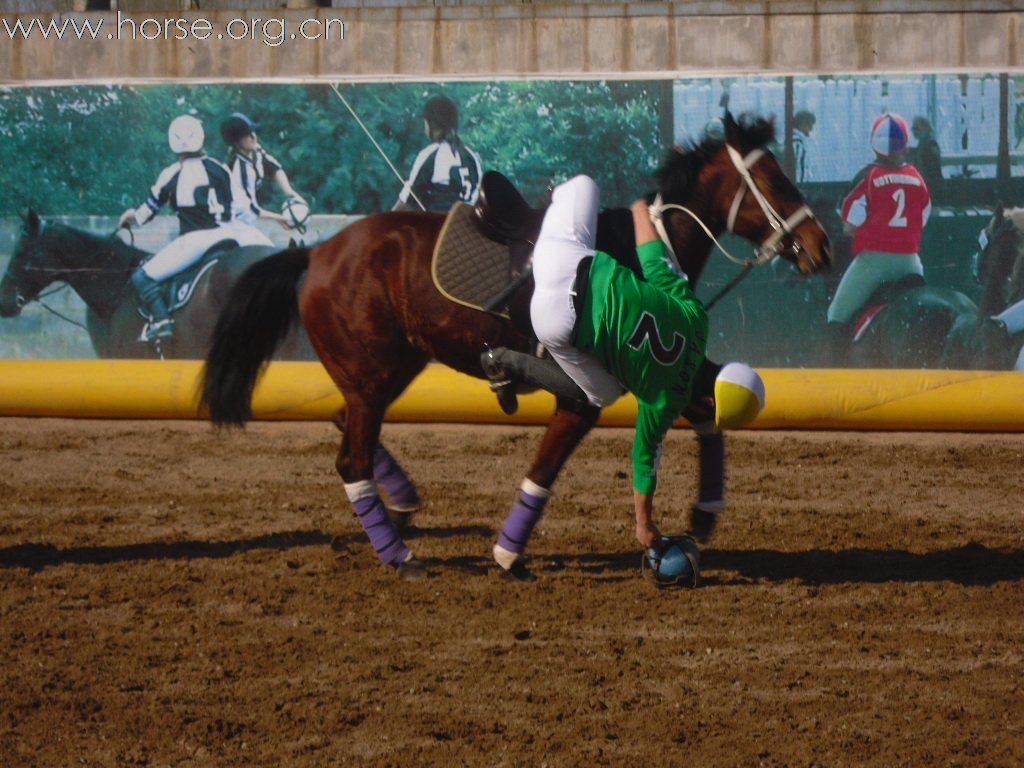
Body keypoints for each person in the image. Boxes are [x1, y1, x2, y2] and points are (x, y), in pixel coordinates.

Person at [481, 175, 765, 577]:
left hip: (562, 261)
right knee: (601, 396)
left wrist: (639, 210)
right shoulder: (663, 403)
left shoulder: (695, 318)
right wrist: (643, 524)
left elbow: (651, 257)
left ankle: (547, 205)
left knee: (581, 184)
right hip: (553, 323)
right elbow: (644, 463)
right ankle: (507, 360)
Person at [118, 114, 274, 341]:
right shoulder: (220, 168)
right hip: (234, 233)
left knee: (142, 277)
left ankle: (162, 321)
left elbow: (145, 214)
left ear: (174, 144)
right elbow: (243, 210)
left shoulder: (170, 174)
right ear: (200, 138)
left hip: (195, 241)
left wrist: (128, 217)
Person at [824, 113, 932, 362]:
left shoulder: (867, 176)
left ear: (874, 143)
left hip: (874, 263)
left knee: (836, 314)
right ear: (904, 144)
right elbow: (924, 218)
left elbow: (850, 222)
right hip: (910, 262)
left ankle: (832, 373)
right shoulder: (918, 178)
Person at [393, 94, 482, 212]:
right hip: (463, 227)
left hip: (437, 226)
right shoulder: (472, 157)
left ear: (431, 123)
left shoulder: (430, 155)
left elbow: (408, 200)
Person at [220, 112, 306, 228]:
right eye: (246, 135)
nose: (253, 136)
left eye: (252, 131)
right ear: (236, 142)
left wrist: (290, 192)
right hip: (230, 222)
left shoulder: (255, 150)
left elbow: (274, 168)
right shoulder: (239, 170)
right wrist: (281, 218)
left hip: (245, 218)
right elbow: (251, 209)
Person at [908, 116, 943, 203]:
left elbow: (931, 170)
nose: (912, 130)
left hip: (931, 191)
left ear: (925, 128)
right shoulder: (926, 143)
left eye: (916, 128)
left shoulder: (929, 145)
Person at [792, 110, 816, 183]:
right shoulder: (796, 142)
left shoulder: (802, 142)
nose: (811, 129)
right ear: (802, 124)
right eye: (810, 125)